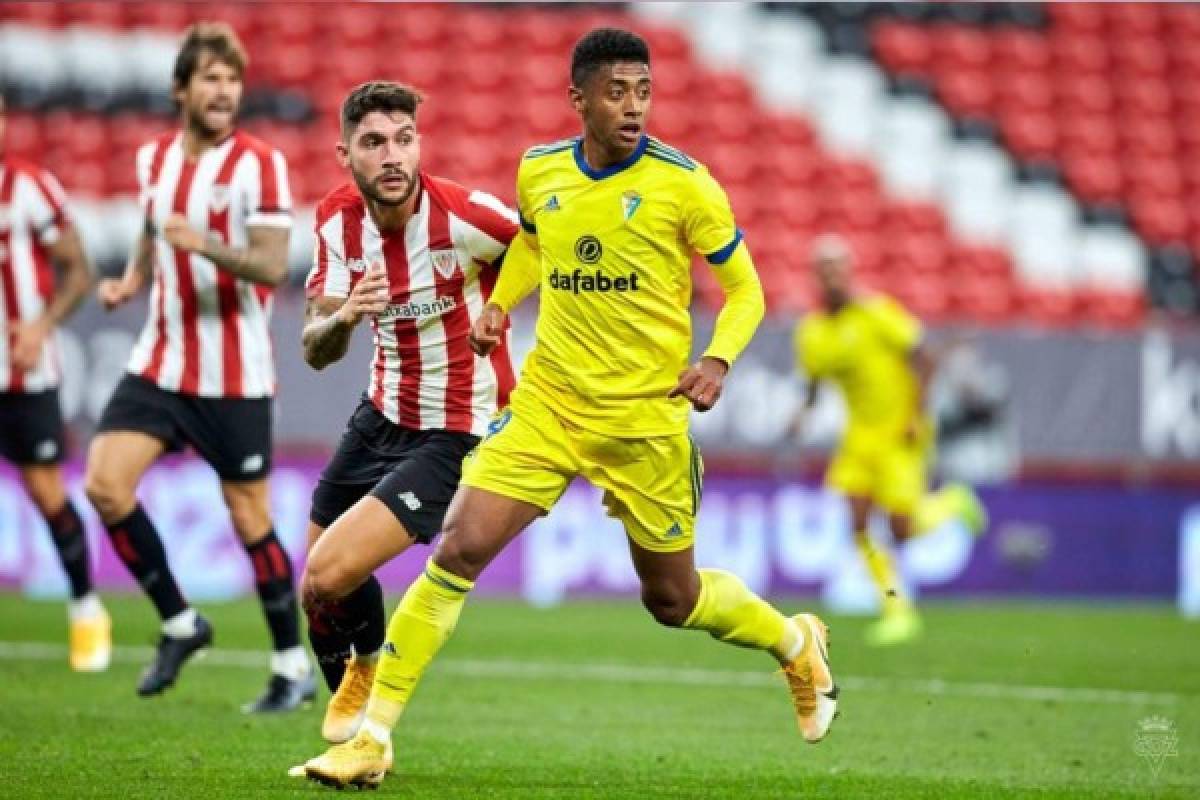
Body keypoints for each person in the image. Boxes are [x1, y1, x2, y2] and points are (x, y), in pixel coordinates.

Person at [300, 28, 838, 790]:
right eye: (616, 92)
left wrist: (718, 359)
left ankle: (793, 642)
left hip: (644, 422)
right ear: (578, 99)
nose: (633, 106)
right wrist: (503, 305)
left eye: (643, 91)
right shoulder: (540, 169)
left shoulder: (687, 186)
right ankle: (372, 740)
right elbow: (533, 243)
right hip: (548, 407)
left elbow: (747, 289)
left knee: (673, 600)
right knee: (457, 549)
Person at [83, 23, 313, 710]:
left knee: (250, 519)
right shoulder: (154, 160)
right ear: (181, 89)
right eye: (211, 78)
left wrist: (206, 244)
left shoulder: (260, 164)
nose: (225, 91)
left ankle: (291, 665)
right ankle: (182, 624)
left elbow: (273, 264)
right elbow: (156, 229)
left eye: (233, 80)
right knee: (104, 485)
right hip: (160, 360)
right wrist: (131, 278)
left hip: (234, 373)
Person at [297, 80, 519, 753]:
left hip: (455, 432)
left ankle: (368, 685)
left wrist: (500, 306)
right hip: (380, 415)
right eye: (374, 143)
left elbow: (543, 253)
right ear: (346, 155)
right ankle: (359, 708)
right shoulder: (337, 221)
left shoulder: (469, 216)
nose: (393, 156)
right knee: (315, 593)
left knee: (330, 572)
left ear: (419, 144)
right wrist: (343, 316)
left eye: (404, 139)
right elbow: (315, 349)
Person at [793, 234, 987, 646]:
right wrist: (803, 414)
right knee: (859, 528)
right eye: (824, 270)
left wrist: (917, 415)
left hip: (901, 432)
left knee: (902, 529)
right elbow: (812, 382)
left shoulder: (878, 313)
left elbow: (925, 356)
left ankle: (953, 503)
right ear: (816, 277)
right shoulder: (812, 332)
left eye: (838, 268)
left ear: (849, 272)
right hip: (859, 439)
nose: (833, 277)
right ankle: (897, 610)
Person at [0, 92, 108, 671]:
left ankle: (86, 608)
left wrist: (41, 323)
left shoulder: (28, 188)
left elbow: (79, 270)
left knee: (45, 490)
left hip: (24, 371)